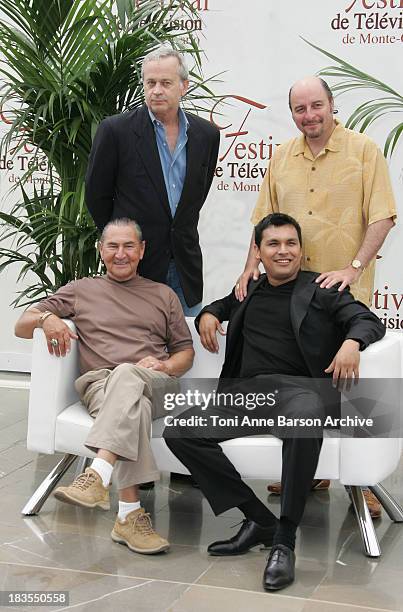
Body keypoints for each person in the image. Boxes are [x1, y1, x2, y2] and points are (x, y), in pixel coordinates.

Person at [164, 213, 385, 591]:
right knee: (180, 430)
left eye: (290, 244)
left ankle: (284, 540)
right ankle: (257, 519)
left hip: (299, 394)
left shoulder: (322, 288)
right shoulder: (249, 289)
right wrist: (209, 315)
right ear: (258, 251)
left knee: (305, 412)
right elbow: (217, 307)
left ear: (301, 249)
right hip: (247, 397)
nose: (283, 252)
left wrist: (351, 342)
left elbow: (367, 320)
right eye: (273, 244)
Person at [235, 76, 396, 511]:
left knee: (350, 382)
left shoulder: (364, 151)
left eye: (316, 106)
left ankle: (361, 481)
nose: (309, 116)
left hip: (342, 289)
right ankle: (311, 469)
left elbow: (382, 217)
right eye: (300, 109)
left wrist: (354, 266)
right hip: (291, 291)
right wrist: (250, 267)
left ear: (331, 104)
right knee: (305, 382)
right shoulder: (281, 157)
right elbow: (263, 223)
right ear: (292, 114)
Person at [15, 218, 194, 555]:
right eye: (113, 246)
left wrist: (165, 365)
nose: (120, 254)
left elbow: (186, 352)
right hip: (101, 386)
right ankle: (128, 516)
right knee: (132, 404)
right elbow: (21, 326)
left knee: (129, 376)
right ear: (101, 250)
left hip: (157, 384)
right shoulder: (82, 289)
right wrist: (46, 317)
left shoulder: (162, 294)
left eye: (129, 246)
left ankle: (97, 473)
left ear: (141, 251)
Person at [85, 45, 220, 316]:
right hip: (135, 265)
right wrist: (124, 242)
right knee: (135, 351)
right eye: (151, 83)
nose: (157, 90)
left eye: (166, 83)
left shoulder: (206, 135)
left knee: (185, 348)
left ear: (184, 86)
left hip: (184, 266)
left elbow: (196, 196)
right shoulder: (116, 131)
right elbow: (96, 196)